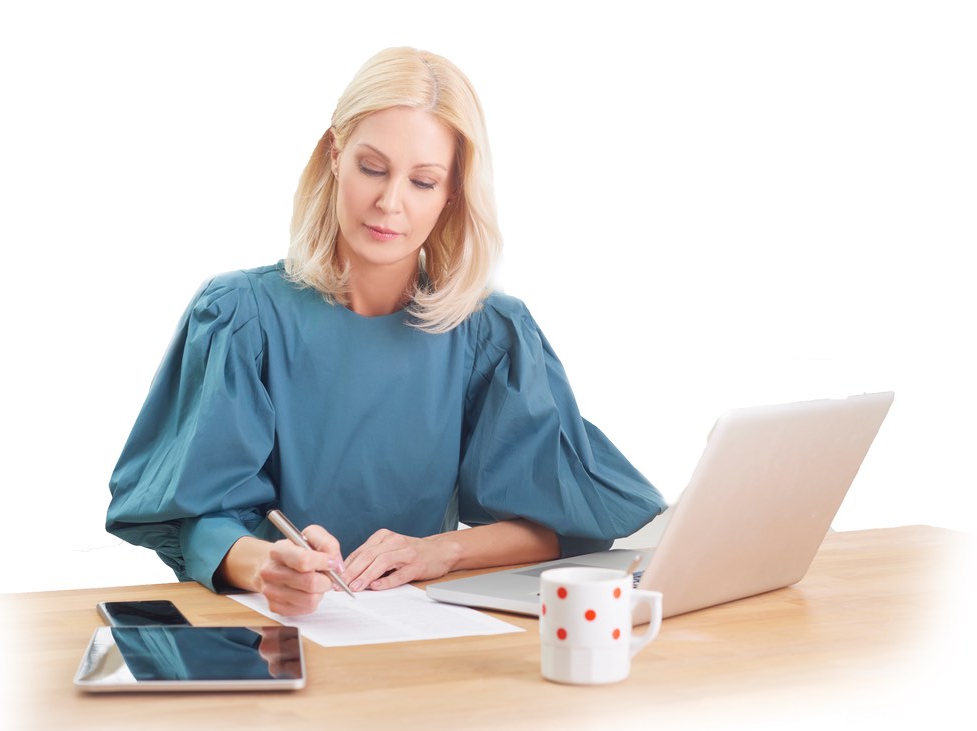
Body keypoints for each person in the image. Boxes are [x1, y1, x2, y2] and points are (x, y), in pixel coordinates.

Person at [106, 47, 666, 616]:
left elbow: (563, 524)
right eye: (372, 168)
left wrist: (438, 551)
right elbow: (197, 517)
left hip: (417, 636)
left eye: (422, 181)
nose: (389, 203)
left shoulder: (489, 334)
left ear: (451, 193)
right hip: (271, 629)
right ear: (334, 155)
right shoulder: (241, 316)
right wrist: (267, 565)